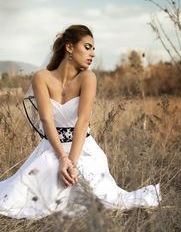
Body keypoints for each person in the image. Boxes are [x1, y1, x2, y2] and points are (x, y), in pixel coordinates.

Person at [0, 24, 161, 220]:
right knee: (41, 177)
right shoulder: (41, 77)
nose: (92, 54)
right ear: (69, 47)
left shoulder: (88, 78)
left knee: (88, 185)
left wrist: (72, 162)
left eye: (94, 49)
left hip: (82, 148)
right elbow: (46, 120)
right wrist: (62, 158)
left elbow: (82, 122)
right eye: (87, 47)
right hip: (52, 147)